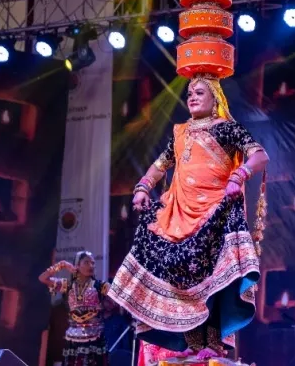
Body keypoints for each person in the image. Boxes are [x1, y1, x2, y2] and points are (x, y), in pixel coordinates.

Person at [108, 74, 269, 360]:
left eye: (199, 93)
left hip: (214, 214)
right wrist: (143, 187)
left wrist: (240, 175)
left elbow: (260, 156)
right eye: (189, 93)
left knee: (214, 282)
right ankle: (193, 344)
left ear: (215, 98)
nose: (192, 97)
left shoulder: (227, 129)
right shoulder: (180, 133)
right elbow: (160, 165)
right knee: (178, 277)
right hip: (178, 214)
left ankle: (213, 343)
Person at [40, 251, 109, 366]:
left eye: (93, 263)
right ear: (77, 265)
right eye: (86, 262)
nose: (91, 266)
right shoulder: (67, 285)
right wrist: (61, 264)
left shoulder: (100, 286)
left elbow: (119, 294)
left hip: (95, 340)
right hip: (73, 340)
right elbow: (43, 278)